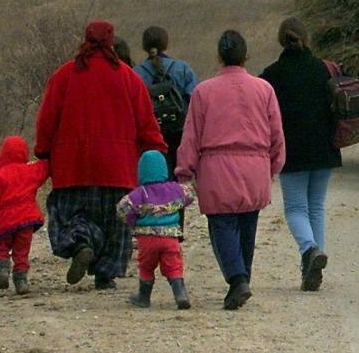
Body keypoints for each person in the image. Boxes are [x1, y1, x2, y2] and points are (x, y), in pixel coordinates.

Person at [35, 20, 167, 290]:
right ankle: (105, 275)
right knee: (115, 223)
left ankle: (82, 243)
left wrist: (43, 151)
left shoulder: (64, 75)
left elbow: (47, 119)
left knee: (74, 216)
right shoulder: (129, 78)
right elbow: (146, 122)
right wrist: (156, 149)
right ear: (111, 41)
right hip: (118, 168)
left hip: (72, 167)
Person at [176, 30, 285, 310]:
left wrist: (184, 170)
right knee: (248, 225)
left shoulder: (203, 91)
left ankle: (237, 280)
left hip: (217, 166)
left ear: (218, 56)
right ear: (245, 55)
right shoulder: (264, 89)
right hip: (255, 165)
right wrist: (273, 165)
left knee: (222, 226)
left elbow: (192, 135)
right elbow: (276, 134)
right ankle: (242, 278)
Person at [260, 18, 341, 292]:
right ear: (306, 38)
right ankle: (312, 264)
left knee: (296, 209)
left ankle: (309, 251)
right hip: (324, 147)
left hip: (292, 150)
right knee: (316, 207)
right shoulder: (322, 69)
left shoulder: (272, 74)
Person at [133, 26, 199, 235]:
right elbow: (195, 100)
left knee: (153, 180)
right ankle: (175, 227)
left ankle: (152, 226)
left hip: (151, 137)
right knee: (176, 182)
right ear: (166, 43)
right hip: (179, 133)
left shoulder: (137, 74)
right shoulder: (183, 69)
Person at [116, 150, 196, 310]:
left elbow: (122, 208)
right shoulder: (174, 189)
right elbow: (190, 195)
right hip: (170, 238)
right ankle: (180, 294)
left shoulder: (139, 193)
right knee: (174, 265)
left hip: (147, 239)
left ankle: (143, 297)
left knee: (146, 266)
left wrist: (132, 222)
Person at [0, 136, 50, 295]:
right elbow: (44, 168)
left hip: (4, 222)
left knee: (1, 247)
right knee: (22, 252)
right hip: (26, 220)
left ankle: (2, 268)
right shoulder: (30, 172)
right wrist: (50, 155)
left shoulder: (0, 176)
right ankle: (21, 279)